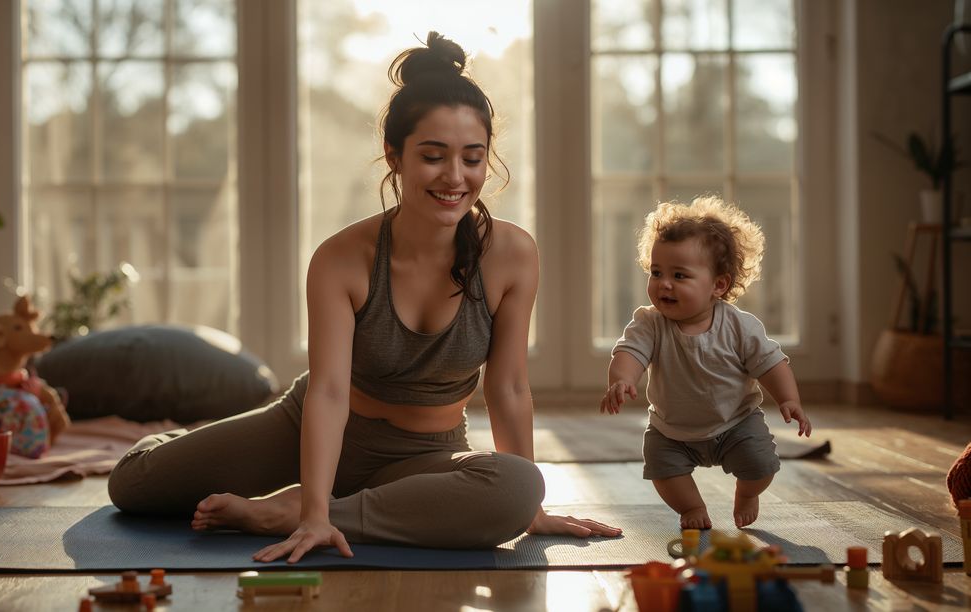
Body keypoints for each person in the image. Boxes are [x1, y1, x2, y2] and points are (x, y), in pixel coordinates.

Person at [108, 31, 621, 563]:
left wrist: (531, 515)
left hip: (426, 453)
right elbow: (328, 393)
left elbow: (510, 386)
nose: (455, 177)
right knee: (133, 488)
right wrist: (314, 506)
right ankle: (288, 489)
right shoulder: (341, 259)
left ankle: (293, 512)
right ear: (393, 155)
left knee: (518, 486)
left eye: (472, 158)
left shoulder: (511, 255)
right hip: (312, 426)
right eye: (433, 156)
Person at [599, 196, 811, 530]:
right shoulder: (650, 323)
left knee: (762, 466)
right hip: (672, 430)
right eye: (656, 272)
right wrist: (622, 380)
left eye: (679, 275)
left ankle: (747, 493)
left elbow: (771, 364)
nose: (664, 283)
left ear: (719, 284)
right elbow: (629, 353)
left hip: (735, 424)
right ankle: (691, 507)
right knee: (661, 466)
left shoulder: (739, 326)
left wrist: (789, 399)